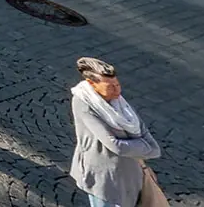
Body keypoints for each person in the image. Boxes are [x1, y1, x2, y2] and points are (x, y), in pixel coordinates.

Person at [69, 56, 163, 207]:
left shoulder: (119, 102)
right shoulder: (83, 104)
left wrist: (149, 148)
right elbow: (115, 145)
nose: (117, 90)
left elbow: (140, 128)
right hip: (103, 177)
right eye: (110, 86)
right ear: (92, 84)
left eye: (117, 84)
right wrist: (147, 147)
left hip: (130, 174)